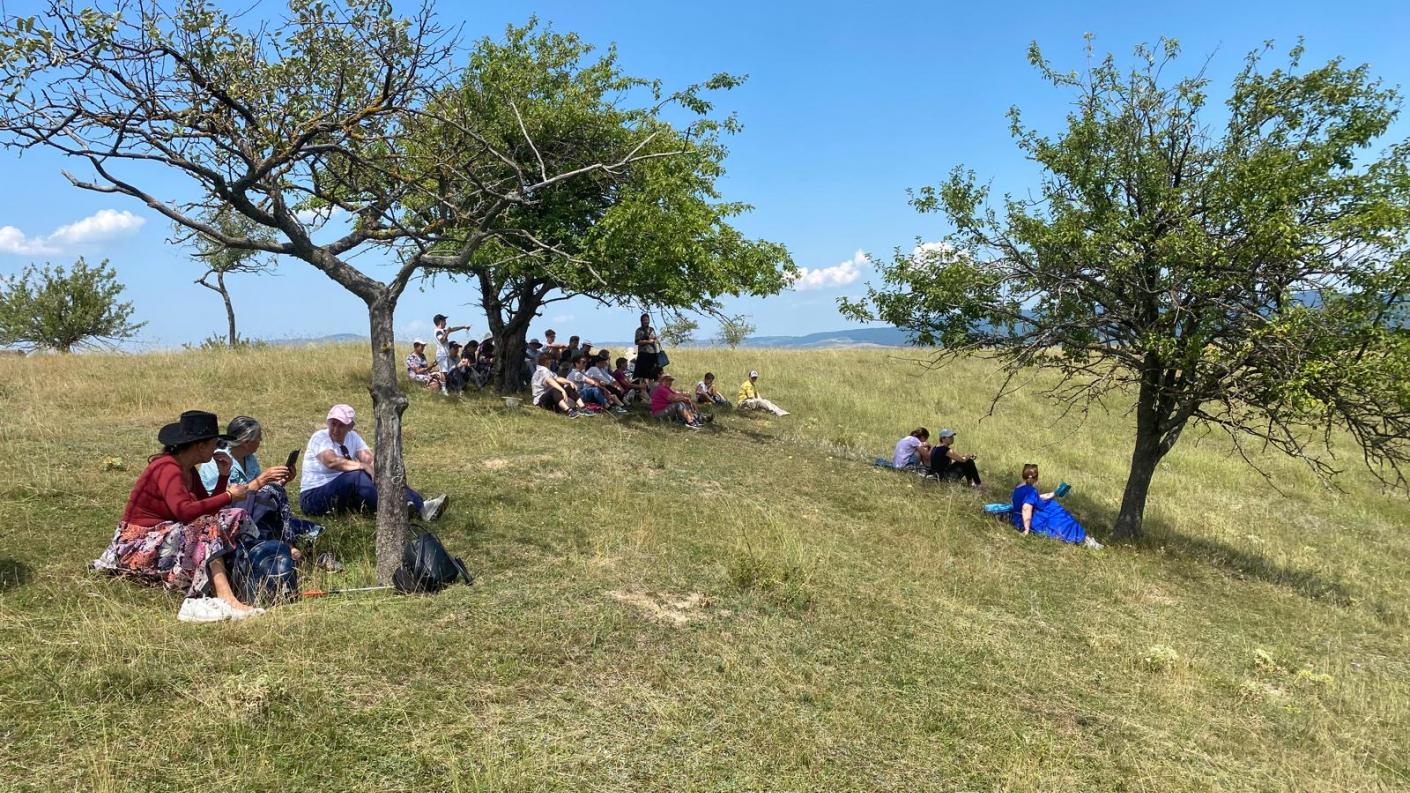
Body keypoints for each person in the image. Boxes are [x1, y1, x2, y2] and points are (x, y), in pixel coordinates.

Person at [93, 410, 273, 621]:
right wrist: (228, 495)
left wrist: (223, 477)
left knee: (234, 515)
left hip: (166, 538)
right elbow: (185, 512)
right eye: (215, 443)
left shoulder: (188, 469)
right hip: (137, 544)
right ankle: (226, 598)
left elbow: (206, 509)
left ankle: (248, 574)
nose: (218, 448)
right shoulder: (166, 467)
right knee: (208, 526)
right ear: (200, 446)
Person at [198, 416, 326, 557]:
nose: (261, 440)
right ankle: (289, 547)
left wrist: (281, 482)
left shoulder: (250, 458)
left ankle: (287, 547)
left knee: (269, 502)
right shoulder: (216, 462)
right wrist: (263, 479)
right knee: (273, 513)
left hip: (253, 511)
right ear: (246, 441)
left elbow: (258, 491)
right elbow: (221, 500)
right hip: (229, 514)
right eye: (258, 437)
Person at [298, 404, 448, 520]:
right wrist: (362, 466)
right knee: (357, 475)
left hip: (341, 494)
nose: (335, 429)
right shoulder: (320, 437)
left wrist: (381, 474)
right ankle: (396, 509)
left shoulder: (353, 437)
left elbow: (369, 459)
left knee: (379, 473)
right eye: (333, 423)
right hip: (313, 497)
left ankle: (421, 507)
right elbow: (331, 461)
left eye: (341, 425)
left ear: (350, 426)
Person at [1011, 463, 1102, 549]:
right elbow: (1026, 507)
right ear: (1036, 478)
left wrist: (1054, 493)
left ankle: (1085, 539)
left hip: (1025, 517)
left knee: (1060, 513)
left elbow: (1035, 498)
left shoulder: (1019, 487)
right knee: (1062, 519)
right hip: (1037, 518)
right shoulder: (1031, 491)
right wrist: (1026, 530)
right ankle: (1084, 539)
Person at [531, 352, 587, 417]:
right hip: (540, 400)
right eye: (551, 360)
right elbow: (550, 381)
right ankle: (569, 411)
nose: (552, 361)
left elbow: (557, 378)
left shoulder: (547, 371)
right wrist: (562, 390)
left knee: (570, 387)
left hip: (548, 399)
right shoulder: (542, 370)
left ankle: (583, 408)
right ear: (547, 361)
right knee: (554, 390)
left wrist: (569, 382)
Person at [633, 314, 661, 383]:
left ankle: (652, 387)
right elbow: (637, 342)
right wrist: (648, 341)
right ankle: (644, 387)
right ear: (641, 321)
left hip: (653, 354)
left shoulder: (651, 329)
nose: (646, 321)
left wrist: (655, 340)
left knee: (653, 373)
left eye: (647, 320)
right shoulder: (639, 330)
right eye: (644, 320)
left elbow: (654, 340)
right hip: (643, 354)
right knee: (643, 375)